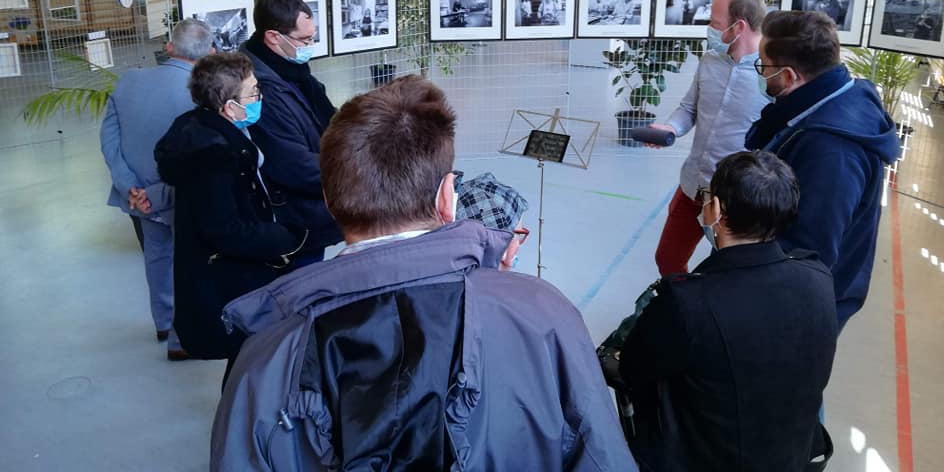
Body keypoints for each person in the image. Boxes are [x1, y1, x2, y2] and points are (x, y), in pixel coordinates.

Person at [211, 76, 636, 471]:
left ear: (330, 198)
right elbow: (600, 454)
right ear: (448, 197)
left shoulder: (266, 357)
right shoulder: (545, 313)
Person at [617, 151, 838, 472]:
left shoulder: (687, 301)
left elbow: (633, 369)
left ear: (716, 210)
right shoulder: (817, 276)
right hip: (792, 456)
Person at [746, 10, 901, 330]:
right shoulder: (839, 97)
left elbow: (809, 252)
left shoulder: (831, 153)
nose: (761, 73)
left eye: (763, 65)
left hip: (795, 309)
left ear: (789, 77)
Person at [154, 53, 308, 369]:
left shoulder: (205, 130)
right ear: (229, 107)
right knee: (249, 359)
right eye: (253, 93)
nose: (259, 98)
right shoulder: (213, 157)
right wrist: (285, 237)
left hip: (232, 270)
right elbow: (226, 230)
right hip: (231, 280)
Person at [99, 18, 214, 361]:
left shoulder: (129, 81)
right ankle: (183, 339)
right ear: (209, 53)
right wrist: (158, 192)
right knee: (191, 263)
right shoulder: (201, 97)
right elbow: (200, 156)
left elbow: (109, 139)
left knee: (157, 255)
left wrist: (131, 187)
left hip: (137, 195)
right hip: (180, 195)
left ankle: (164, 321)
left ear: (168, 47)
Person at [647, 0, 769, 276]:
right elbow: (688, 108)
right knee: (667, 259)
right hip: (693, 185)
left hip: (737, 197)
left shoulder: (770, 75)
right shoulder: (709, 61)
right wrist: (670, 128)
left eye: (714, 23)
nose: (709, 29)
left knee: (732, 272)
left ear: (738, 27)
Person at [241, 0, 341, 266]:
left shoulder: (292, 72)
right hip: (295, 220)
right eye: (305, 40)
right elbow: (292, 164)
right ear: (273, 37)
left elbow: (328, 117)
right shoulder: (260, 90)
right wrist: (355, 172)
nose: (310, 46)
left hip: (314, 209)